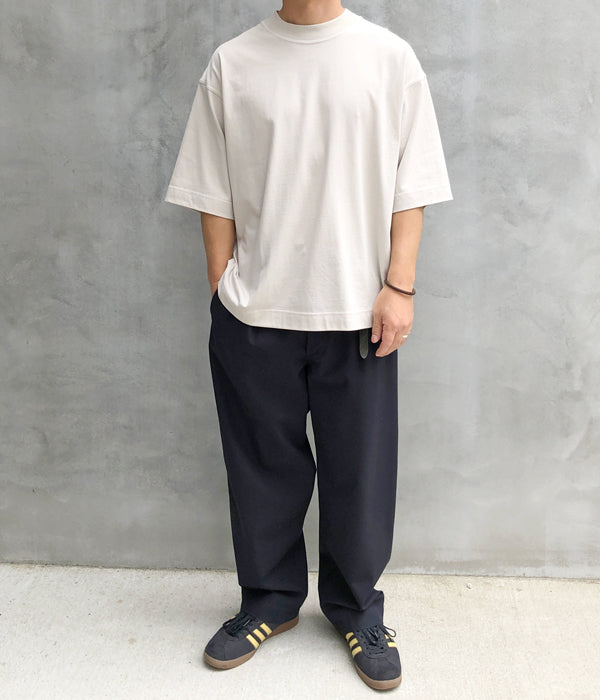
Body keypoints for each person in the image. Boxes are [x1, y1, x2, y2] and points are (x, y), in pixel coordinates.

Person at [164, 0, 452, 691]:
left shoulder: (389, 60)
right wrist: (224, 286)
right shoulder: (233, 63)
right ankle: (270, 599)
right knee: (261, 465)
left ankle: (358, 610)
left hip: (360, 310)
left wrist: (400, 287)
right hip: (255, 310)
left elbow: (411, 186)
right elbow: (211, 189)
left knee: (361, 472)